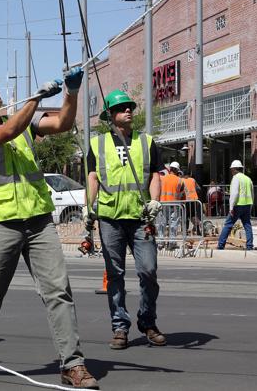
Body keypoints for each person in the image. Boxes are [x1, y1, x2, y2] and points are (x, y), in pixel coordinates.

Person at [0, 68, 99, 389]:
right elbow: (7, 131)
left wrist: (71, 93)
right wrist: (37, 98)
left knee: (58, 291)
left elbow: (63, 123)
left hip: (39, 221)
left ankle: (73, 364)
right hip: (3, 224)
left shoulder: (24, 119)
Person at [86, 89, 165, 350]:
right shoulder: (97, 144)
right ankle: (120, 326)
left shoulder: (146, 141)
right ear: (110, 115)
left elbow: (155, 174)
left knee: (148, 270)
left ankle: (147, 321)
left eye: (130, 106)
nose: (128, 110)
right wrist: (88, 207)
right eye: (121, 108)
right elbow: (93, 177)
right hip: (110, 218)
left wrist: (155, 201)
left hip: (141, 217)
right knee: (115, 274)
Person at [217, 159, 254, 250]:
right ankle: (249, 246)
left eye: (231, 169)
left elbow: (234, 193)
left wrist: (231, 207)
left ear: (233, 169)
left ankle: (221, 245)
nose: (231, 171)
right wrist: (251, 205)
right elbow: (252, 194)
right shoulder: (248, 178)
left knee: (228, 225)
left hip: (237, 205)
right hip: (247, 205)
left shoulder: (236, 178)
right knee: (247, 225)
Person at [157, 161, 185, 243]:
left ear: (170, 169)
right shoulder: (180, 180)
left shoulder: (162, 179)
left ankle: (160, 241)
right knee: (173, 223)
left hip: (163, 204)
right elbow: (181, 193)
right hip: (174, 205)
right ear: (177, 170)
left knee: (162, 223)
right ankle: (172, 242)